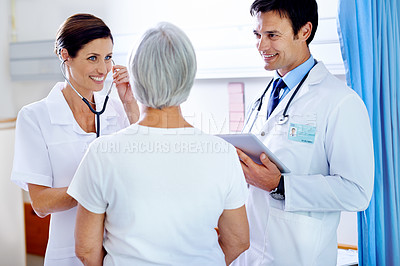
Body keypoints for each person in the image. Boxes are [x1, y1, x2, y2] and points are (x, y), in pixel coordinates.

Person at [67, 22, 250, 266]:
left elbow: (86, 250)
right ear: (188, 76)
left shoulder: (103, 153)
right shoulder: (223, 153)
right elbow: (238, 240)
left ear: (136, 77)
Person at [232, 0, 374, 265]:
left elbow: (357, 192)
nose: (262, 46)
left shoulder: (341, 102)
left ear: (304, 31)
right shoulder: (262, 100)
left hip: (300, 257)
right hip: (249, 254)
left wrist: (280, 185)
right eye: (258, 35)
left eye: (272, 35)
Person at [11, 14, 139, 265]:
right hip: (68, 252)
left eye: (108, 57)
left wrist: (130, 104)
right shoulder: (35, 117)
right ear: (65, 55)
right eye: (93, 58)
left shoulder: (117, 107)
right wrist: (93, 189)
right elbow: (40, 203)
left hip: (121, 249)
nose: (104, 69)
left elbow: (141, 164)